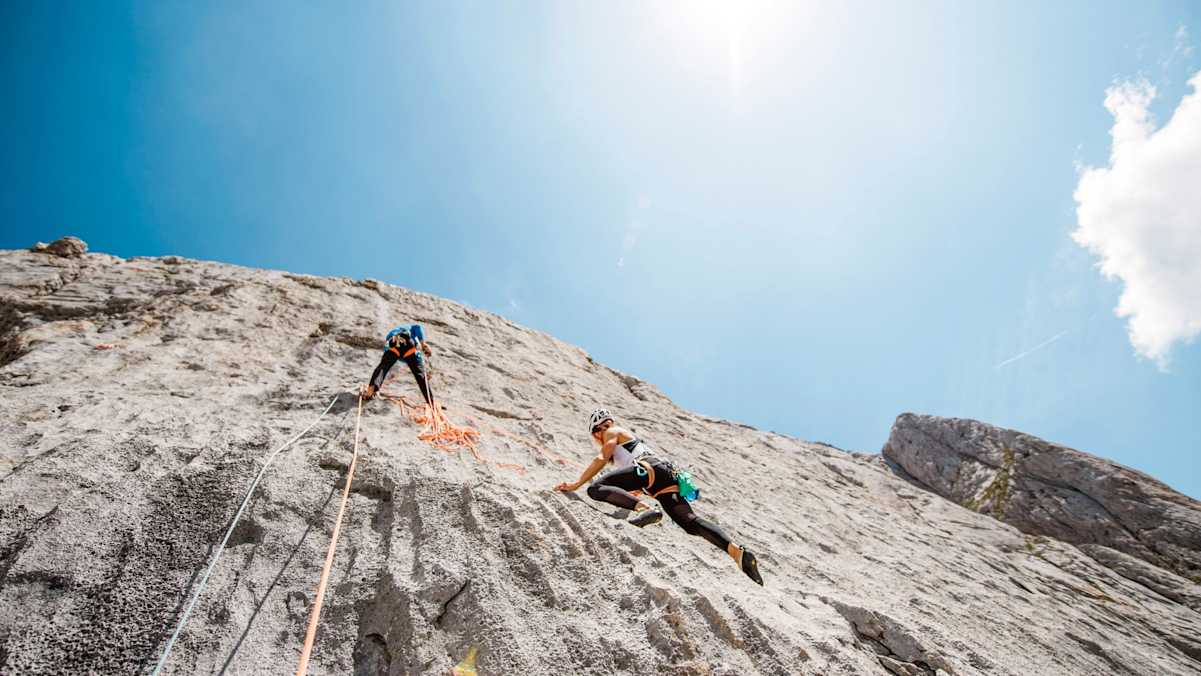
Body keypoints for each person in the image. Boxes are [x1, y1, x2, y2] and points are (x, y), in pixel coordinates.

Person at [554, 409, 764, 586]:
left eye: (597, 432)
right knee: (690, 524)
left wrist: (577, 484)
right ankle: (737, 553)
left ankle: (645, 509)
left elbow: (602, 457)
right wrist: (632, 491)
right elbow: (629, 474)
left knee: (596, 487)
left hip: (648, 471)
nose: (600, 435)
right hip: (662, 478)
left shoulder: (612, 432)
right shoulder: (626, 442)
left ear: (598, 429)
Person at [362, 324, 434, 405]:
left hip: (394, 342)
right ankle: (431, 402)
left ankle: (370, 390)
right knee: (420, 375)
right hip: (407, 342)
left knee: (383, 367)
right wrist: (423, 343)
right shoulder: (409, 329)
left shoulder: (394, 333)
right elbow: (417, 327)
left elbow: (387, 354)